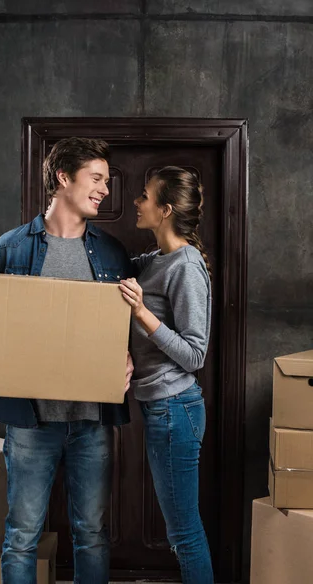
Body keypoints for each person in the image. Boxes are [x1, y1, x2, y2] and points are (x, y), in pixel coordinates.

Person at [0, 137, 134, 584]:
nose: (105, 189)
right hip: (30, 424)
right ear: (63, 178)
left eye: (107, 181)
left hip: (92, 423)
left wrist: (130, 361)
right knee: (22, 535)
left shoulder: (111, 253)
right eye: (97, 178)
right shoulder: (11, 248)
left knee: (92, 534)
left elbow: (129, 330)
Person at [119, 166, 214, 584]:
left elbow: (195, 355)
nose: (136, 202)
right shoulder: (154, 260)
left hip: (176, 411)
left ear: (166, 209)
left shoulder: (186, 267)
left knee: (184, 534)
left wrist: (141, 312)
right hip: (161, 409)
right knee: (182, 531)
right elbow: (113, 268)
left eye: (144, 196)